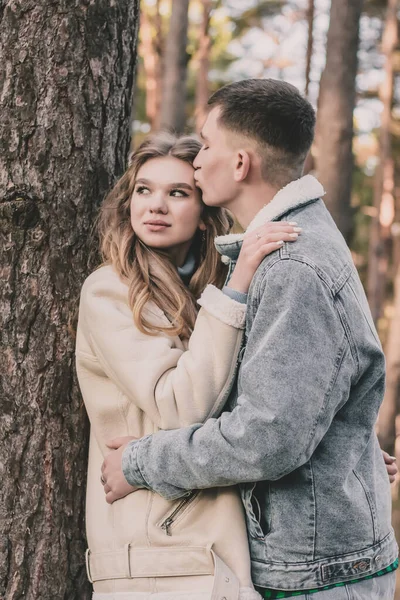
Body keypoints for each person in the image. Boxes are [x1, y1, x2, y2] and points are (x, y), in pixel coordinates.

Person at [103, 79, 399, 599]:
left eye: (207, 145)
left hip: (316, 574)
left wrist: (140, 462)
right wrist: (355, 448)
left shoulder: (291, 265)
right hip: (323, 562)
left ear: (240, 164)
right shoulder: (294, 244)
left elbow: (267, 437)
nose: (198, 161)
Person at [76, 131, 302, 599]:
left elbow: (251, 413)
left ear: (203, 216)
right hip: (157, 559)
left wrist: (319, 442)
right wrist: (238, 285)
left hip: (216, 552)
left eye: (177, 193)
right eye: (144, 190)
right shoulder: (111, 292)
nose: (155, 205)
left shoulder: (205, 294)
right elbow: (180, 405)